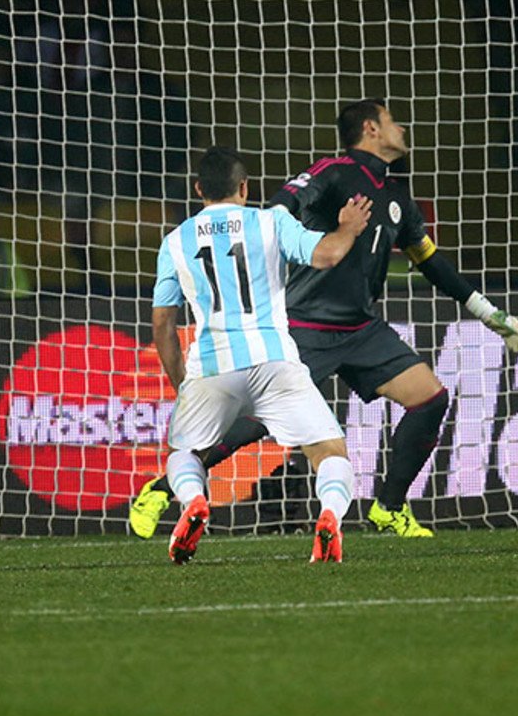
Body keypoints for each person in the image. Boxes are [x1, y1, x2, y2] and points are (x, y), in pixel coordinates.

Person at [129, 100, 518, 540]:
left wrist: (487, 312)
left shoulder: (398, 197)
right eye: (392, 121)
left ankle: (389, 509)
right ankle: (162, 488)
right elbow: (278, 207)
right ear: (371, 129)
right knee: (255, 421)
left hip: (362, 328)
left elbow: (432, 264)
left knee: (430, 399)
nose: (402, 128)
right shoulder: (332, 172)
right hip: (306, 324)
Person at [151, 147, 372, 565]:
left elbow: (163, 322)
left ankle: (195, 502)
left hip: (213, 365)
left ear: (199, 189)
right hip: (274, 360)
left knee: (184, 453)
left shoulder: (175, 241)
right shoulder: (271, 222)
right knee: (328, 451)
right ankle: (328, 517)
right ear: (245, 187)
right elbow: (327, 254)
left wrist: (182, 381)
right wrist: (348, 228)